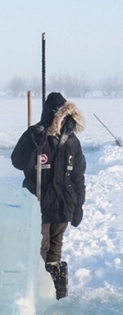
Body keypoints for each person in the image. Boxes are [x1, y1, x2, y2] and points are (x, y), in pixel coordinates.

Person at [11, 92, 86, 300]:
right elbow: (17, 162)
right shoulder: (36, 135)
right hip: (40, 204)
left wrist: (79, 205)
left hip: (63, 206)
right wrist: (32, 143)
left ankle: (54, 294)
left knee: (55, 248)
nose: (61, 120)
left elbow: (78, 176)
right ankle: (36, 294)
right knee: (39, 248)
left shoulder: (72, 141)